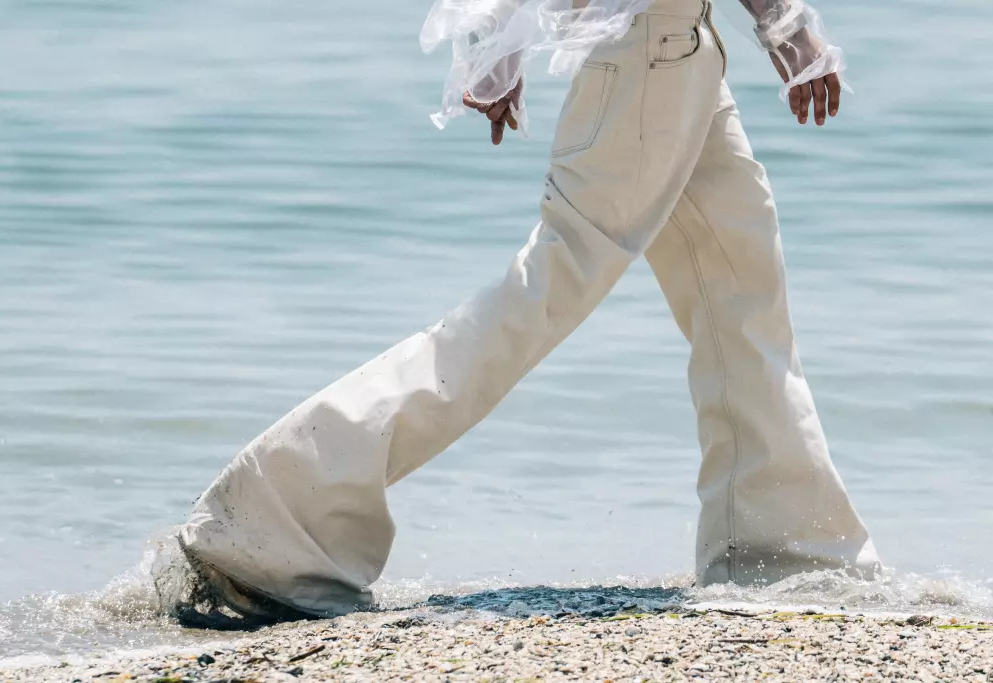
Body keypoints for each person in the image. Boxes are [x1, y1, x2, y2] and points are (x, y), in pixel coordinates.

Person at [157, 0, 881, 628]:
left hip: (672, 50)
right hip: (656, 51)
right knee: (539, 299)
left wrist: (497, 34)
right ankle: (280, 510)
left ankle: (778, 552)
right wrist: (782, 19)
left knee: (738, 287)